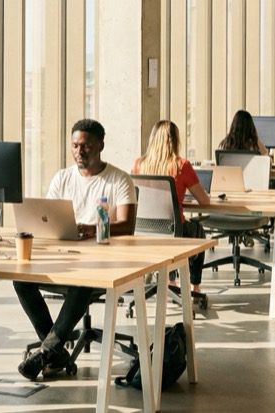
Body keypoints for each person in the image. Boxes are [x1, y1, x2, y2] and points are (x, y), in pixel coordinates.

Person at [15, 119, 137, 381]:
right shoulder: (62, 177)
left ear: (101, 146)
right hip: (65, 256)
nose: (80, 152)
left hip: (102, 262)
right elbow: (48, 218)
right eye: (75, 146)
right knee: (20, 279)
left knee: (83, 282)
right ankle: (54, 352)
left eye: (86, 146)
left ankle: (47, 350)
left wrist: (92, 229)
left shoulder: (118, 179)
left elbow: (127, 225)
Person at [132, 120, 211, 293]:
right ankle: (195, 287)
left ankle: (171, 280)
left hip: (143, 231)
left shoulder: (139, 164)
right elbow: (204, 201)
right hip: (173, 230)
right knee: (198, 229)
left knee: (176, 227)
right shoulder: (181, 165)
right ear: (175, 141)